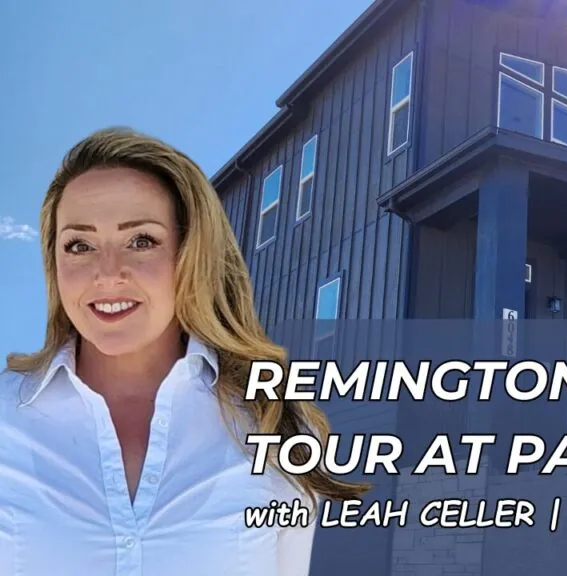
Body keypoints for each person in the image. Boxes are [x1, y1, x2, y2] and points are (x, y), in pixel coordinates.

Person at [0, 127, 369, 575]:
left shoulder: (278, 423)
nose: (108, 273)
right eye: (80, 245)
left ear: (190, 254)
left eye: (141, 241)